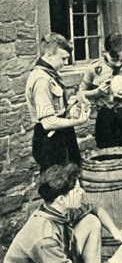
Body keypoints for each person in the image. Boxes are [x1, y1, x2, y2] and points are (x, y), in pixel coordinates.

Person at [25, 33, 90, 173]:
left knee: (71, 179)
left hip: (62, 135)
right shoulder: (41, 79)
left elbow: (57, 109)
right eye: (63, 58)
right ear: (49, 54)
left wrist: (73, 105)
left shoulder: (50, 74)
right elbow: (48, 122)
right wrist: (78, 121)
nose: (66, 63)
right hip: (51, 140)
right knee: (58, 186)